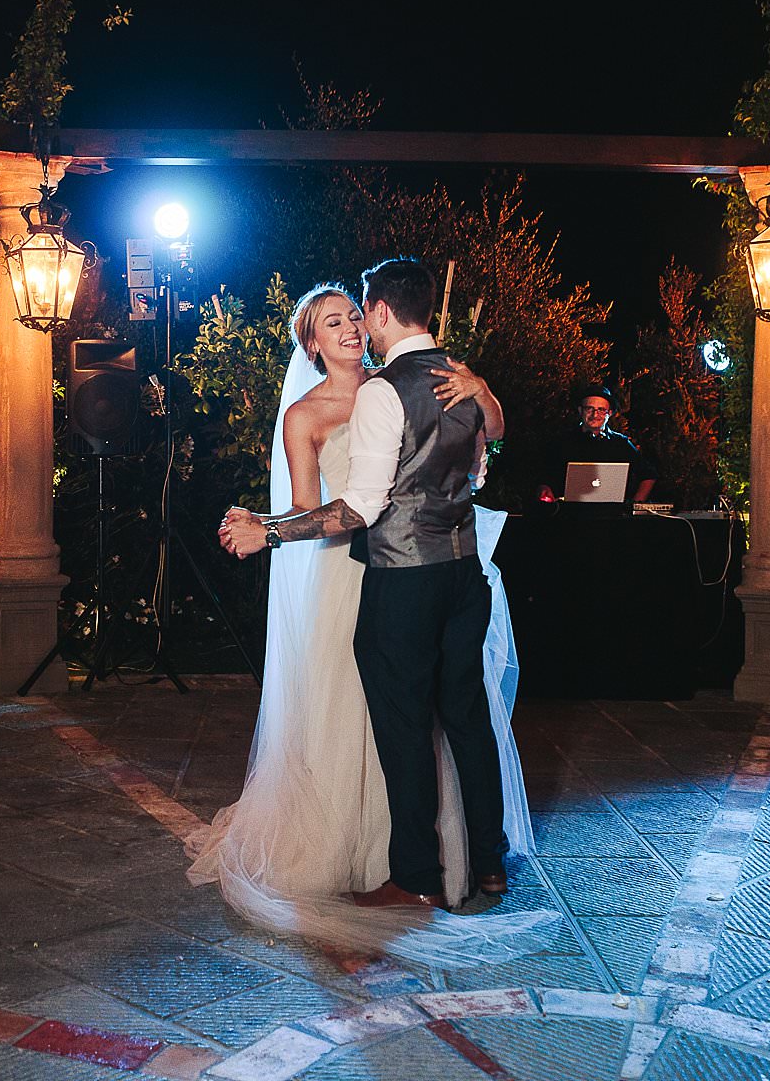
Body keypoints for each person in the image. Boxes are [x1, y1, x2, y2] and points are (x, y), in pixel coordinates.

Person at [190, 276, 554, 967]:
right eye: (332, 322)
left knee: (411, 723)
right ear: (311, 344)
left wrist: (266, 533)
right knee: (407, 717)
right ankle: (459, 860)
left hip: (399, 575)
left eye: (355, 315)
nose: (351, 328)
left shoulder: (398, 386)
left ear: (378, 316)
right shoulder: (312, 413)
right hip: (359, 573)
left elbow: (367, 500)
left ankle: (415, 868)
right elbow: (312, 507)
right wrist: (267, 523)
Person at [537, 384, 658, 503]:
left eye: (601, 410)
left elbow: (648, 474)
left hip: (612, 513)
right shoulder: (562, 442)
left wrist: (635, 505)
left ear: (609, 413)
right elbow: (543, 477)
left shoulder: (621, 443)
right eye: (589, 409)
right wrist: (545, 490)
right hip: (571, 513)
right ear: (580, 410)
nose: (595, 415)